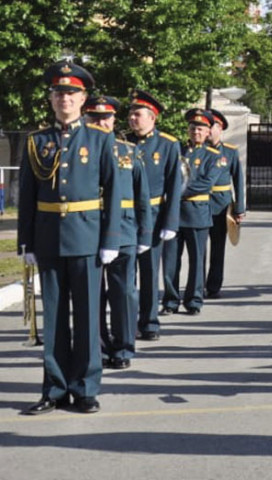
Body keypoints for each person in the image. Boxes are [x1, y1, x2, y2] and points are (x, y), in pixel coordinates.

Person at [18, 61, 122, 414]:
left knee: (89, 316)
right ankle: (55, 389)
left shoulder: (99, 139)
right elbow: (28, 198)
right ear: (51, 99)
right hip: (48, 238)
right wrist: (26, 243)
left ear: (83, 98)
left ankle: (86, 387)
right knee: (55, 318)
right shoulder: (37, 142)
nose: (65, 98)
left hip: (88, 237)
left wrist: (111, 239)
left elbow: (114, 190)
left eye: (71, 93)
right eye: (59, 93)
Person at [85, 96, 153, 370]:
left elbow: (142, 196)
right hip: (88, 230)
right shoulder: (79, 150)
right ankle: (98, 345)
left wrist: (145, 234)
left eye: (106, 118)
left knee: (123, 293)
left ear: (114, 120)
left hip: (124, 231)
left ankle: (123, 347)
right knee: (92, 294)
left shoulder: (128, 151)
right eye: (94, 118)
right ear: (86, 120)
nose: (101, 123)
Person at [125, 89, 182, 341]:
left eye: (138, 114)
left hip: (155, 215)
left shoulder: (168, 144)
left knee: (148, 272)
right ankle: (126, 322)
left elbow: (174, 185)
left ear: (152, 117)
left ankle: (149, 322)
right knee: (126, 273)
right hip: (125, 215)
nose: (132, 119)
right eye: (131, 114)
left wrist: (170, 222)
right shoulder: (122, 142)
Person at [162, 109, 221, 316]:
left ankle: (194, 300)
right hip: (174, 214)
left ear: (207, 133)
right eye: (193, 128)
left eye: (201, 129)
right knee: (170, 261)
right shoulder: (176, 150)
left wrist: (175, 190)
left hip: (197, 214)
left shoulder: (213, 156)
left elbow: (205, 184)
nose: (196, 131)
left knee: (197, 261)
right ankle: (170, 300)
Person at [204, 109, 246, 299]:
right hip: (200, 204)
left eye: (210, 126)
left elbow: (238, 180)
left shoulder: (229, 151)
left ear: (219, 128)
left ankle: (213, 286)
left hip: (221, 206)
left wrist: (240, 209)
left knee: (217, 248)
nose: (207, 130)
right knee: (198, 251)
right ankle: (196, 286)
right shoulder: (197, 150)